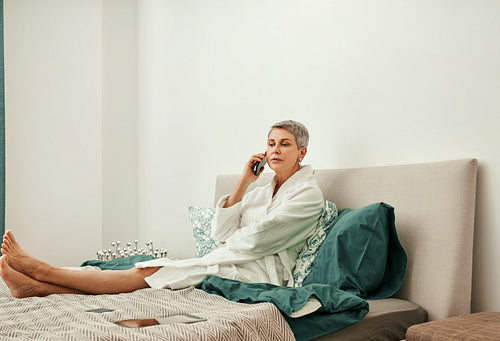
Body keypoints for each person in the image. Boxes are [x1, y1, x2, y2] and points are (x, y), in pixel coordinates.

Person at [0, 120, 324, 298]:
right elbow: (220, 232)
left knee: (151, 271)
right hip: (229, 257)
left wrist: (228, 244)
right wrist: (242, 182)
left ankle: (45, 272)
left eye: (284, 144)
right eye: (270, 143)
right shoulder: (259, 190)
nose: (275, 150)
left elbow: (259, 240)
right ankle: (37, 286)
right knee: (150, 270)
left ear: (302, 152)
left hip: (261, 274)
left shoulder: (308, 196)